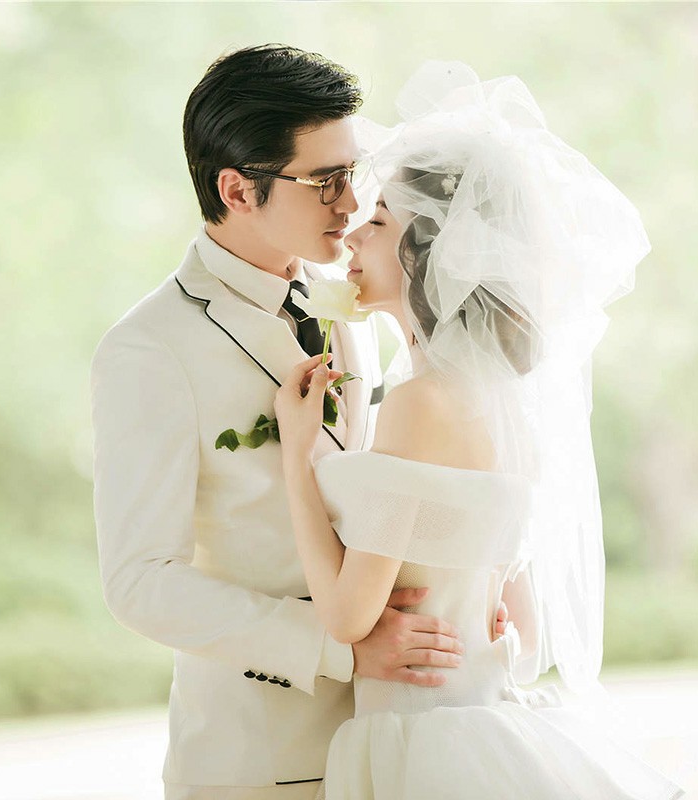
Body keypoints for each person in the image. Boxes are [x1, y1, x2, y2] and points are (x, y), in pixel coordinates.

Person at [91, 46, 508, 800]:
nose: (350, 205)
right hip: (261, 761)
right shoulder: (149, 349)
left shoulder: (360, 296)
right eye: (325, 182)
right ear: (236, 189)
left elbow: (396, 487)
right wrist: (337, 647)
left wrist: (463, 578)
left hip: (403, 736)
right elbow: (139, 582)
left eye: (354, 175)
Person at [272, 61, 686, 799]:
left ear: (432, 253)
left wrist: (298, 464)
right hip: (486, 721)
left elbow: (347, 616)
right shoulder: (501, 401)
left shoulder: (419, 402)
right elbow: (520, 637)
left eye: (378, 223)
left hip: (423, 741)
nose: (351, 240)